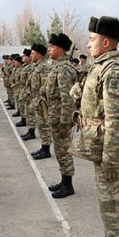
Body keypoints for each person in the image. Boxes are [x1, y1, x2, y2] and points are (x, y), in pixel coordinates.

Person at [73, 16, 119, 237]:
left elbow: (118, 120)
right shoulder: (101, 67)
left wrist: (111, 158)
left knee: (112, 199)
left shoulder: (113, 73)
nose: (88, 44)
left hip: (111, 149)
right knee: (105, 198)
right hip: (101, 145)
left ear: (106, 41)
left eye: (92, 39)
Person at [45, 33, 78, 197]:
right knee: (59, 150)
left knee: (64, 150)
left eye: (52, 46)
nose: (49, 49)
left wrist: (65, 122)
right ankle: (63, 181)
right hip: (55, 116)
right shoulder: (56, 66)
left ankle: (68, 185)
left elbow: (68, 98)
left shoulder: (64, 69)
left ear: (61, 49)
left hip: (61, 119)